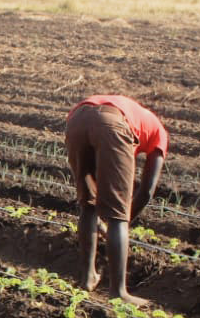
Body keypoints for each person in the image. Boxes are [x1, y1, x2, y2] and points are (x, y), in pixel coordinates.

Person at [64, 94, 168, 306]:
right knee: (118, 215)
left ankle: (87, 277)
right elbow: (147, 190)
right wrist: (123, 219)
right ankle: (119, 291)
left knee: (88, 205)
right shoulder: (160, 135)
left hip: (77, 118)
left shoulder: (140, 117)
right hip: (112, 123)